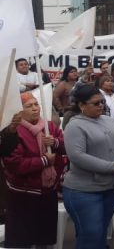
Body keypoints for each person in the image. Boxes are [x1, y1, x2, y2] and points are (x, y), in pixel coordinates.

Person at [63, 83, 114, 249]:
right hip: (84, 191)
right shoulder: (75, 125)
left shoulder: (108, 120)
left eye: (102, 102)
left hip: (110, 188)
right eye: (96, 103)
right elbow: (77, 156)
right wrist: (111, 166)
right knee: (91, 234)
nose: (101, 105)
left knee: (100, 235)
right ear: (82, 105)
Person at [2, 92, 65, 247]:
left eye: (36, 104)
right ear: (20, 110)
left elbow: (66, 146)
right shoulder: (13, 130)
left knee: (44, 238)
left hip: (47, 192)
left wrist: (56, 143)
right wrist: (44, 160)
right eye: (29, 106)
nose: (35, 108)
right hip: (23, 195)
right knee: (22, 240)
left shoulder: (49, 126)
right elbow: (15, 164)